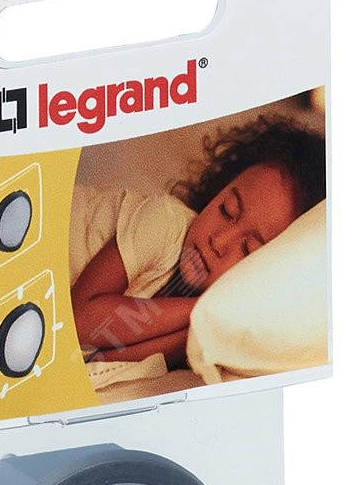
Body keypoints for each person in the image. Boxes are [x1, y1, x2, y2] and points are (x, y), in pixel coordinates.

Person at [70, 116, 326, 369]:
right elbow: (78, 323)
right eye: (227, 209)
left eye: (247, 249)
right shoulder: (165, 221)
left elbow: (99, 361)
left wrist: (205, 316)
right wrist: (197, 307)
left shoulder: (204, 325)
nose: (218, 241)